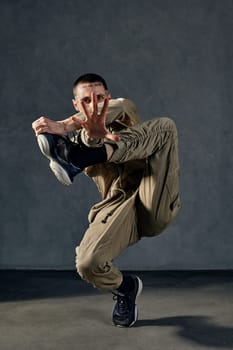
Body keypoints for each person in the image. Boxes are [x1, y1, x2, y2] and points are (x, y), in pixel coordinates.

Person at [32, 73, 181, 327]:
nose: (95, 105)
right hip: (117, 206)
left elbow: (120, 107)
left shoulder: (125, 110)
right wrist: (91, 137)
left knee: (166, 127)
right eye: (87, 101)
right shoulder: (80, 142)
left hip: (153, 194)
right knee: (88, 263)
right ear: (76, 105)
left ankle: (77, 163)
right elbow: (90, 138)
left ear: (108, 98)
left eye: (101, 98)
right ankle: (126, 288)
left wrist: (65, 126)